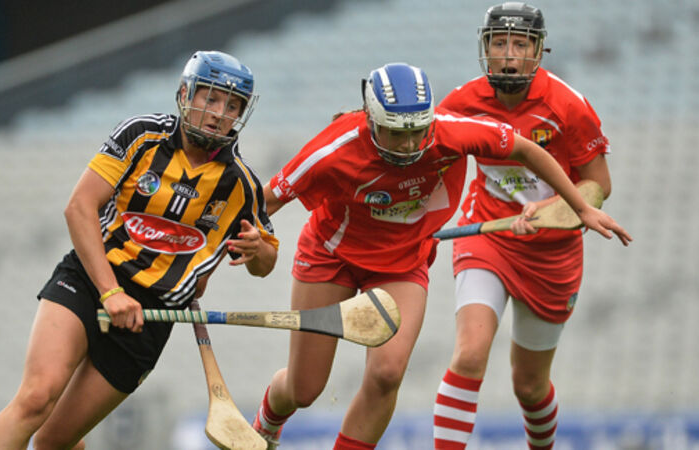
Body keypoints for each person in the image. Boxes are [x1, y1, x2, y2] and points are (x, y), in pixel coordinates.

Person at [251, 62, 630, 450]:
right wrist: (250, 242)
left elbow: (524, 148)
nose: (408, 145)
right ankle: (267, 421)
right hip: (332, 258)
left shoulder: (450, 132)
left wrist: (580, 207)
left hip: (402, 264)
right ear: (372, 121)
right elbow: (262, 203)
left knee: (387, 374)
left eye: (417, 132)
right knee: (304, 389)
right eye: (396, 133)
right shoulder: (334, 148)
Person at [0, 50, 278, 450]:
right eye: (210, 98)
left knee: (55, 441)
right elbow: (79, 208)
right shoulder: (142, 135)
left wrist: (258, 251)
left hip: (151, 317)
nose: (219, 113)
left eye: (232, 105)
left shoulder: (240, 184)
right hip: (91, 280)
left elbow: (266, 261)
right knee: (36, 399)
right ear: (185, 94)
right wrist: (111, 291)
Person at [431, 3, 628, 449]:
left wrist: (550, 212)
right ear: (485, 48)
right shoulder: (459, 104)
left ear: (538, 52)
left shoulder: (568, 106)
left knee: (529, 386)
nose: (509, 55)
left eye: (520, 44)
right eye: (499, 43)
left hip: (553, 253)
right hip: (488, 236)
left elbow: (598, 185)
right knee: (469, 355)